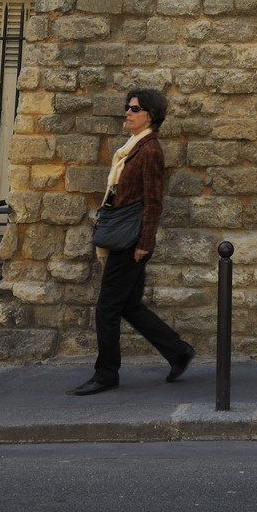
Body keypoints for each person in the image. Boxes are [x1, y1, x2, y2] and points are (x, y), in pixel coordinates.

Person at [70, 86, 194, 395]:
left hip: (131, 240)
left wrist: (144, 244)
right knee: (129, 306)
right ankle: (178, 352)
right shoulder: (132, 147)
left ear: (149, 116)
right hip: (127, 234)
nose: (128, 112)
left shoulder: (149, 150)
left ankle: (106, 373)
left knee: (107, 308)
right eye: (127, 107)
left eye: (134, 108)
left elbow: (154, 202)